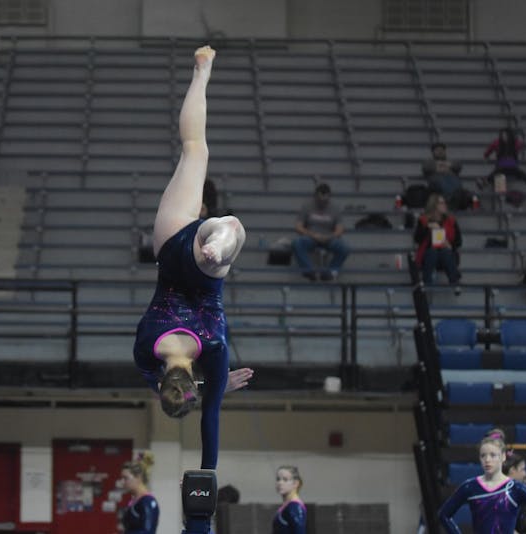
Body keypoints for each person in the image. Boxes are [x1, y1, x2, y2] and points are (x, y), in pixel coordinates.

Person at [132, 46, 254, 472]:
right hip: (169, 248)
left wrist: (207, 475)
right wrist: (201, 387)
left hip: (205, 272)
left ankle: (220, 242)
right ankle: (200, 73)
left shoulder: (216, 349)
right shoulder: (145, 354)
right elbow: (163, 383)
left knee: (233, 229)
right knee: (192, 149)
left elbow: (211, 419)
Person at [438, 433, 526, 533]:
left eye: (493, 455)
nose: (487, 460)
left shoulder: (516, 488)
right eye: (483, 455)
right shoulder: (470, 486)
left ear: (503, 457)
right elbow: (443, 515)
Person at [292, 182, 350, 281]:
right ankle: (309, 271)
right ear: (315, 197)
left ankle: (330, 273)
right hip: (311, 237)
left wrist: (328, 237)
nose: (322, 203)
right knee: (297, 243)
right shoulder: (307, 206)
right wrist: (313, 235)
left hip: (329, 238)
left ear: (329, 197)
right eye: (320, 200)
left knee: (345, 248)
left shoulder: (335, 208)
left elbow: (340, 230)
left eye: (325, 201)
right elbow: (298, 227)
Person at [413, 193, 462, 291]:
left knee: (445, 252)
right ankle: (426, 282)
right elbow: (417, 239)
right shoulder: (424, 221)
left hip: (446, 255)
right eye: (441, 203)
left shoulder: (451, 221)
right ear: (434, 205)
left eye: (444, 203)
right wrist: (427, 228)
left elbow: (459, 241)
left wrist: (450, 245)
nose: (444, 205)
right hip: (429, 256)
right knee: (432, 251)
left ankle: (454, 282)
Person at [482, 127, 526, 193]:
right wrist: (486, 156)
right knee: (499, 174)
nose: (504, 137)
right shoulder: (498, 142)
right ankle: (489, 185)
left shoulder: (514, 142)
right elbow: (487, 152)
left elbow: (521, 145)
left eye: (505, 135)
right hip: (502, 167)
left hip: (510, 166)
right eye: (502, 135)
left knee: (520, 173)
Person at [119, 452, 159, 534]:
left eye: (125, 478)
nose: (122, 482)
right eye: (122, 478)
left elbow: (148, 532)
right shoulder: (134, 501)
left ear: (138, 477)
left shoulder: (148, 501)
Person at [422, 142, 466, 209]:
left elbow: (458, 166)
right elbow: (426, 167)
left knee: (455, 182)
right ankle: (450, 201)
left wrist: (441, 166)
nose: (440, 152)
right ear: (433, 152)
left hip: (452, 182)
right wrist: (446, 165)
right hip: (436, 185)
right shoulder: (429, 162)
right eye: (437, 150)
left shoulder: (452, 161)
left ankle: (451, 200)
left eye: (442, 150)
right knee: (442, 182)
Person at [273, 466, 306, 534]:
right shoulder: (287, 506)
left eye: (285, 479)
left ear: (295, 483)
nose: (280, 483)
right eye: (278, 479)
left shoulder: (294, 507)